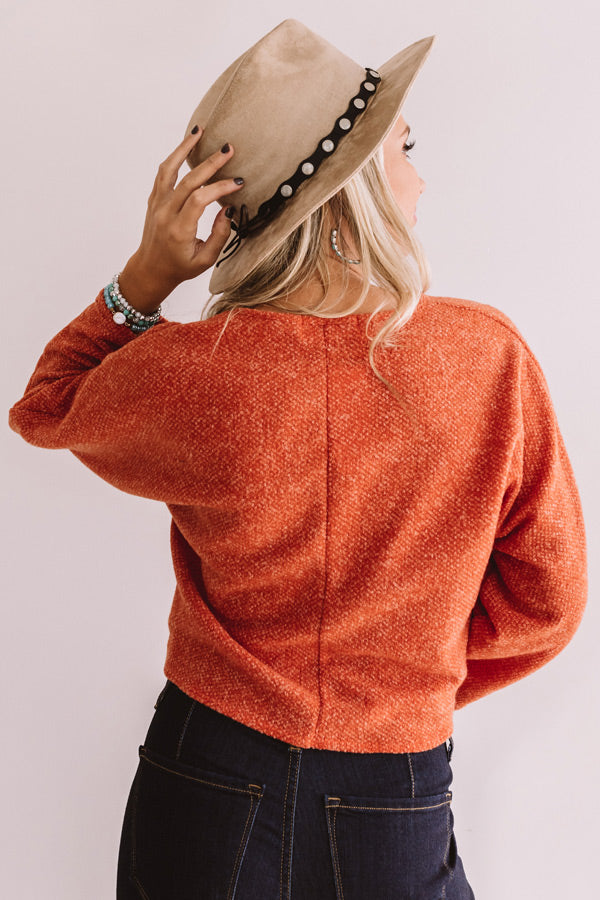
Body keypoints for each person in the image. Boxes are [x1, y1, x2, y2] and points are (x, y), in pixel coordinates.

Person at [7, 18, 587, 900]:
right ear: (355, 190)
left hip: (204, 769)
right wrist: (403, 681)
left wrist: (147, 276)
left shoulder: (195, 370)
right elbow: (548, 600)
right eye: (405, 149)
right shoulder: (486, 360)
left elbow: (47, 403)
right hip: (396, 782)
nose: (422, 177)